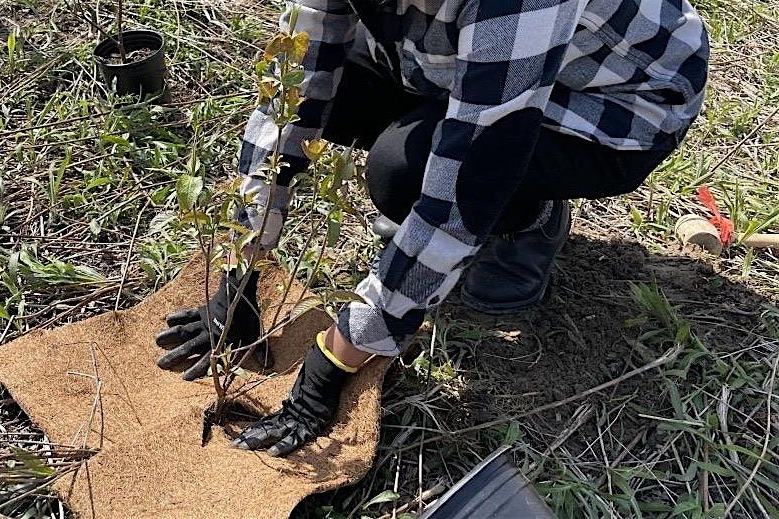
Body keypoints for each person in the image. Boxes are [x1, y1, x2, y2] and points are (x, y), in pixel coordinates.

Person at [155, 0, 709, 457]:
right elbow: (293, 90)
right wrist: (242, 267)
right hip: (464, 55)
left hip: (612, 102)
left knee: (403, 173)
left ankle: (531, 217)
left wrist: (342, 353)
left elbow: (463, 180)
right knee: (336, 93)